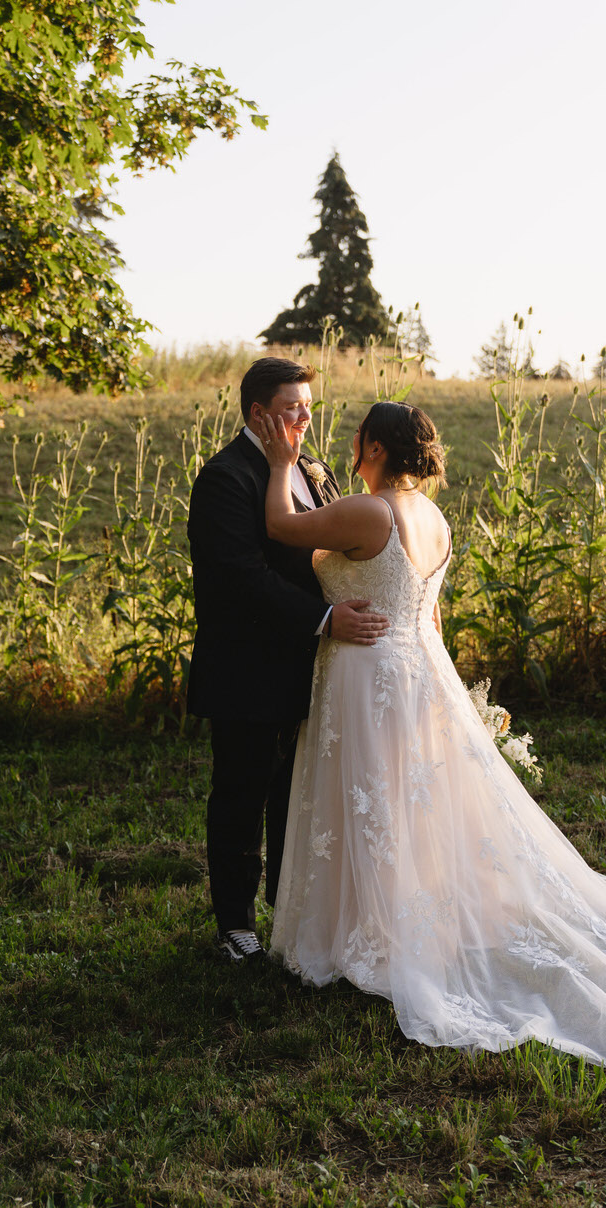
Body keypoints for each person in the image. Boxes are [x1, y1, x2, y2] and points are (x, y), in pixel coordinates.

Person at [258, 399, 606, 1068]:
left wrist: (281, 462)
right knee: (405, 803)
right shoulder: (433, 518)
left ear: (373, 448)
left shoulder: (368, 510)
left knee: (375, 800)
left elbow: (279, 524)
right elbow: (431, 617)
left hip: (370, 672)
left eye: (357, 440)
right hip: (416, 666)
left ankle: (377, 936)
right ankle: (394, 927)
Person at [186, 357, 389, 963]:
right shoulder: (226, 478)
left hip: (315, 667)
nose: (304, 417)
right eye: (292, 408)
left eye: (307, 406)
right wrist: (326, 620)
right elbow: (240, 577)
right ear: (257, 414)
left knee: (297, 794)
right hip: (249, 668)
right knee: (242, 795)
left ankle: (290, 916)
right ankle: (234, 924)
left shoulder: (313, 468)